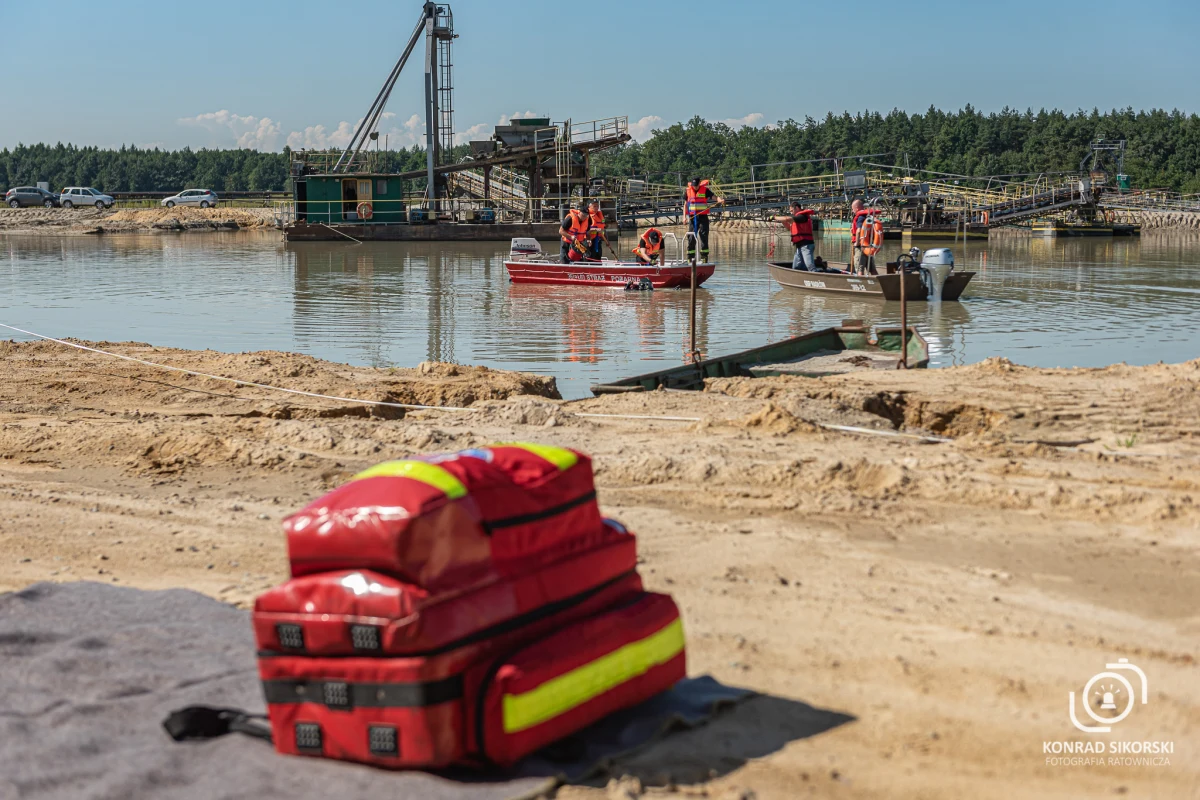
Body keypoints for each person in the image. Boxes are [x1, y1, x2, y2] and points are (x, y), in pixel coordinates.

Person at [684, 177, 724, 263]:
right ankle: (690, 257)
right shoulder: (688, 191)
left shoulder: (705, 190)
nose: (695, 187)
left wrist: (720, 200)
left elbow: (714, 197)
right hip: (692, 217)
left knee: (703, 235)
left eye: (696, 185)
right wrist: (684, 217)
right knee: (691, 237)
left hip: (703, 216)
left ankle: (704, 257)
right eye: (693, 186)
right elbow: (685, 204)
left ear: (699, 184)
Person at [773, 201, 817, 271]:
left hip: (806, 245)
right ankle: (799, 279)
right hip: (800, 246)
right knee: (796, 267)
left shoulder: (802, 216)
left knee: (810, 267)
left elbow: (788, 219)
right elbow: (789, 228)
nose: (791, 213)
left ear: (797, 208)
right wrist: (782, 221)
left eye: (792, 210)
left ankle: (819, 278)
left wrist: (775, 217)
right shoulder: (797, 218)